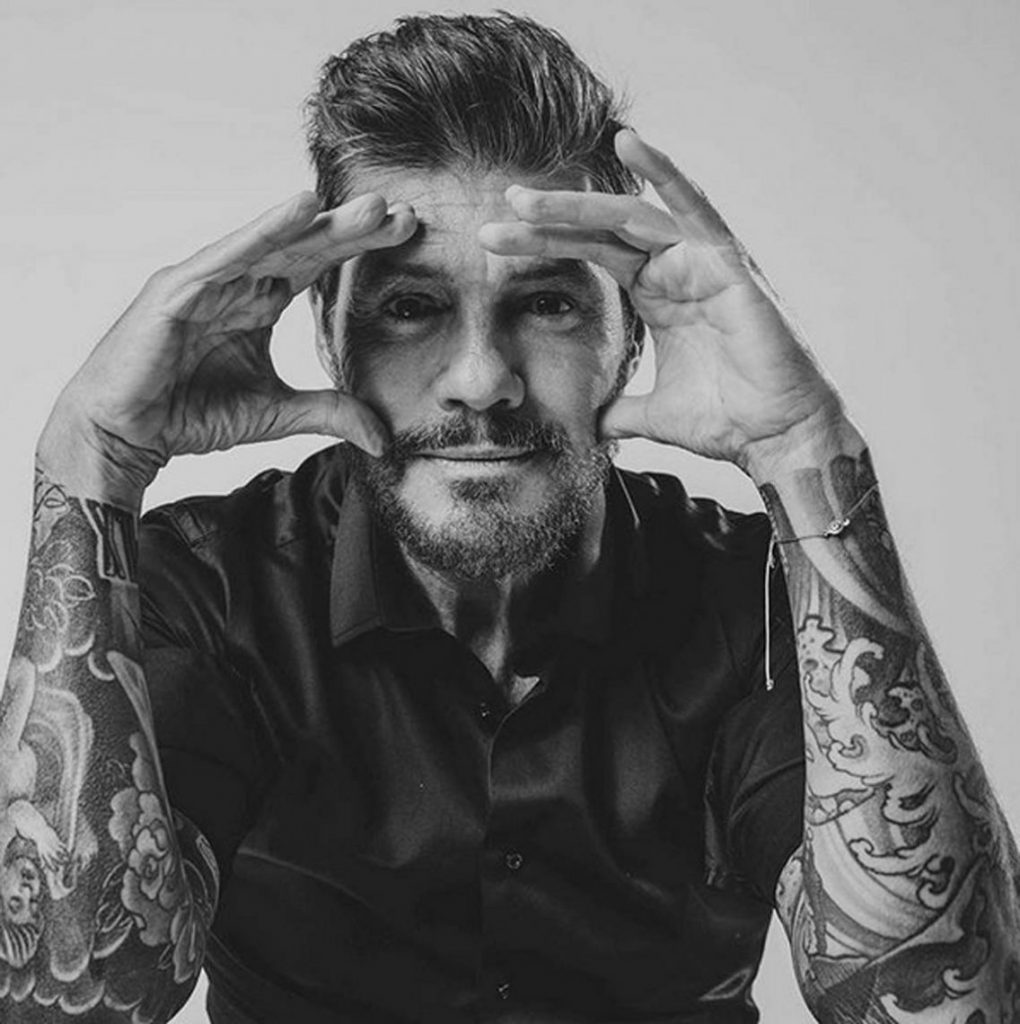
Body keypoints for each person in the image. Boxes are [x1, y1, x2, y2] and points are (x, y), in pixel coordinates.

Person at [1, 10, 1017, 1023]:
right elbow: (75, 998)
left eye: (548, 304)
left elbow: (950, 1007)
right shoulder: (203, 587)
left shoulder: (759, 598)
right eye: (410, 307)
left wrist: (805, 453)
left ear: (631, 336)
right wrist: (91, 458)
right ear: (330, 332)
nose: (481, 380)